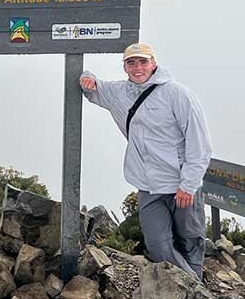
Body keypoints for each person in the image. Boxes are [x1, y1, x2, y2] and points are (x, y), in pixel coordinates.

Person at [79, 43, 212, 281]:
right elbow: (94, 88)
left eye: (142, 62)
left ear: (153, 63)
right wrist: (87, 78)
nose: (137, 67)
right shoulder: (119, 92)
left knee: (191, 243)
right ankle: (197, 290)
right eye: (131, 63)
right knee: (158, 246)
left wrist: (188, 184)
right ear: (125, 67)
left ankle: (191, 294)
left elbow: (199, 145)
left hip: (182, 185)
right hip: (148, 187)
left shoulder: (177, 94)